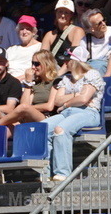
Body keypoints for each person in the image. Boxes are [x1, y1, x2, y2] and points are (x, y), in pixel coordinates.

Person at [43, 49, 104, 183]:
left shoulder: (92, 74)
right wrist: (75, 96)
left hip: (88, 112)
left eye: (67, 60)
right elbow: (57, 101)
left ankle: (63, 174)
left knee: (61, 129)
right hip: (67, 113)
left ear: (76, 61)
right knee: (43, 128)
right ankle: (46, 172)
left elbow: (84, 100)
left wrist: (66, 104)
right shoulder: (66, 78)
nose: (64, 63)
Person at [0, 50, 58, 127]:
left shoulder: (56, 81)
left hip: (49, 118)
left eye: (37, 64)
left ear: (46, 64)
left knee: (23, 108)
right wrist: (28, 83)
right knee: (11, 126)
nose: (33, 67)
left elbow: (49, 107)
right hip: (30, 118)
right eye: (32, 63)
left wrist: (28, 109)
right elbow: (25, 104)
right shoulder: (35, 84)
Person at [6, 16, 43, 81]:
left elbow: (40, 70)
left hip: (28, 84)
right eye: (22, 29)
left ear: (34, 32)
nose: (24, 32)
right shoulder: (11, 49)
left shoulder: (40, 47)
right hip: (9, 85)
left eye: (28, 29)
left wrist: (15, 81)